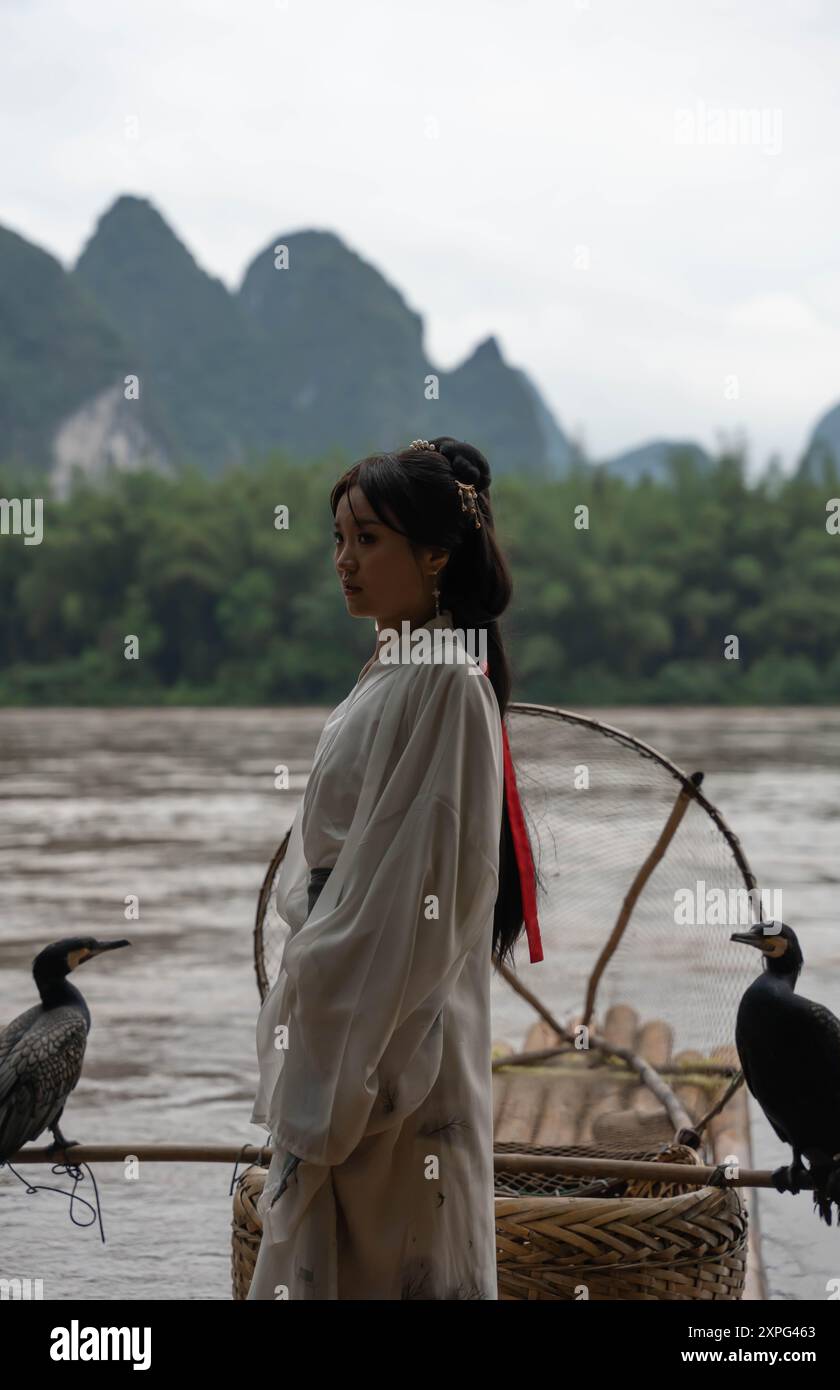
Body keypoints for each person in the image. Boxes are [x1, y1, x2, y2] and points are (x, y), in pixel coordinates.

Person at [247, 436, 541, 1300]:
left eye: (368, 538)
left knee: (407, 1260)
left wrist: (343, 1057)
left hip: (396, 1044)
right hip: (364, 1022)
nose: (344, 560)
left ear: (437, 554)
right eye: (338, 538)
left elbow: (421, 902)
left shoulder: (445, 683)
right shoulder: (399, 665)